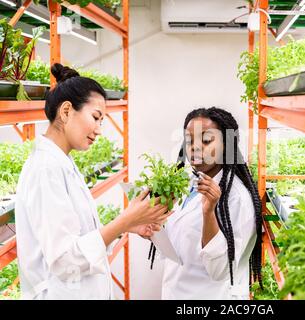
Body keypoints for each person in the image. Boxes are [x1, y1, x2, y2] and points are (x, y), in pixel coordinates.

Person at [15, 63, 170, 300]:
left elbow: (79, 239)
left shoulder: (62, 164)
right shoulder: (46, 169)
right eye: (96, 118)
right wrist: (124, 219)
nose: (98, 130)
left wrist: (128, 226)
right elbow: (66, 261)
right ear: (66, 111)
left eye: (102, 122)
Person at [156, 107, 263, 299]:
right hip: (176, 292)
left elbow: (220, 270)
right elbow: (180, 241)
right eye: (189, 140)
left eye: (206, 140)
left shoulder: (237, 198)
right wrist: (154, 228)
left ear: (227, 145)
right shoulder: (189, 181)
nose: (195, 147)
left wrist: (209, 212)